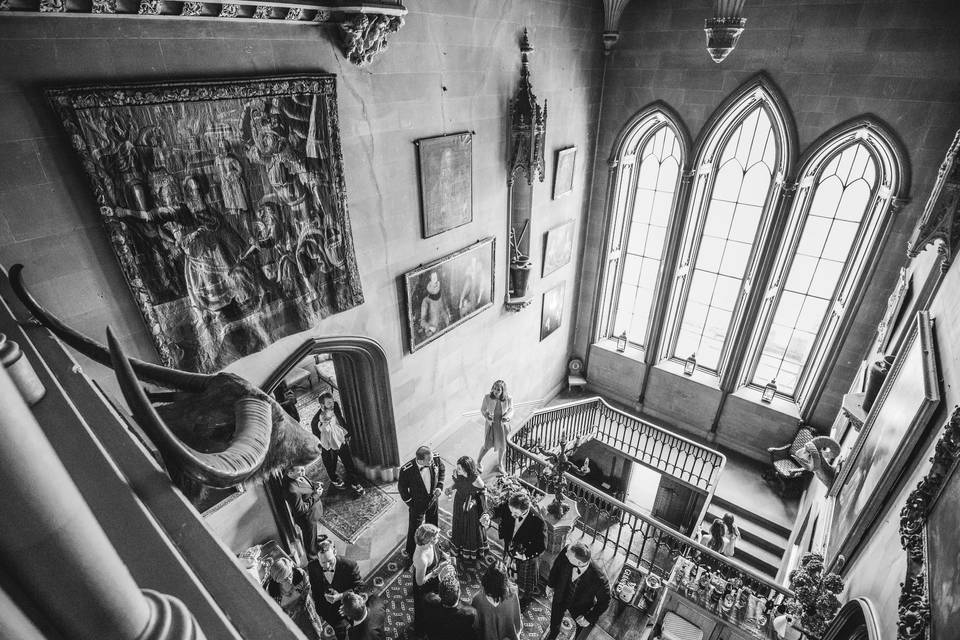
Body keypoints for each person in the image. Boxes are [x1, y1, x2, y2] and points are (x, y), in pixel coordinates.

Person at [486, 491, 546, 606]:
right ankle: (508, 588)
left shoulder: (538, 522)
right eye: (511, 510)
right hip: (510, 546)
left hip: (526, 555)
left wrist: (525, 555)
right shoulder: (511, 505)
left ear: (525, 510)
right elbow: (496, 509)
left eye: (515, 513)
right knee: (507, 572)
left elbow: (541, 546)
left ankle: (524, 600)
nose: (511, 514)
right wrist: (487, 516)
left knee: (525, 581)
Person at [545, 542, 611, 640]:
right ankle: (553, 634)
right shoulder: (568, 550)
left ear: (579, 563)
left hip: (581, 606)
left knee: (580, 631)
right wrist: (550, 585)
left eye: (568, 555)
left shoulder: (599, 578)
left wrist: (589, 618)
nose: (565, 554)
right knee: (555, 620)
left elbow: (605, 601)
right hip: (561, 594)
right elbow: (556, 567)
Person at [306, 538, 363, 640]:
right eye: (323, 562)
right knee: (340, 633)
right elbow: (315, 589)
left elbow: (359, 586)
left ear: (335, 552)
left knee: (358, 629)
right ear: (317, 557)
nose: (327, 566)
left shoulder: (350, 565)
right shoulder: (312, 567)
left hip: (349, 605)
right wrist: (321, 606)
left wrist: (341, 596)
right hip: (328, 610)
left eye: (330, 561)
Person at [310, 391, 364, 495]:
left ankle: (354, 482)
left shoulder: (335, 406)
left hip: (339, 439)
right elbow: (317, 440)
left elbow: (340, 419)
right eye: (329, 403)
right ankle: (334, 479)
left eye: (333, 401)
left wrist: (347, 434)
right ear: (322, 405)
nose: (332, 404)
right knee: (330, 464)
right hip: (328, 446)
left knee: (348, 461)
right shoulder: (315, 422)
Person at [398, 446, 446, 557]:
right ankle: (411, 552)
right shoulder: (407, 470)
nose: (432, 461)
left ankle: (434, 544)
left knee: (433, 522)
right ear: (420, 460)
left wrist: (440, 485)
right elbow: (402, 488)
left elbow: (442, 469)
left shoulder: (435, 458)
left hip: (433, 499)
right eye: (429, 460)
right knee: (414, 528)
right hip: (417, 504)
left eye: (432, 459)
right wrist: (411, 503)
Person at [265, 557, 325, 639]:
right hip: (294, 624)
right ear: (277, 580)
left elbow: (308, 588)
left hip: (310, 614)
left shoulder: (300, 574)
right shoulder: (272, 592)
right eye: (285, 579)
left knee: (318, 634)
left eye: (290, 575)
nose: (289, 580)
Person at [446, 455, 489, 569]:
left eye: (460, 468)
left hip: (470, 508)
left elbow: (483, 493)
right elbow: (458, 483)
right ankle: (458, 549)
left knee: (469, 529)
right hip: (459, 502)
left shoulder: (475, 480)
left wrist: (473, 503)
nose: (457, 470)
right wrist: (451, 488)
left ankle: (471, 556)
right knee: (458, 524)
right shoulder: (457, 473)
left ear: (466, 469)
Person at [410, 523, 449, 635]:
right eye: (436, 537)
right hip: (425, 586)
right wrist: (437, 570)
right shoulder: (421, 558)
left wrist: (443, 555)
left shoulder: (430, 543)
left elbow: (437, 549)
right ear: (428, 540)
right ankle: (422, 630)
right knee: (425, 607)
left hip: (432, 578)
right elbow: (420, 582)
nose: (439, 538)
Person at [422, 564, 478, 640]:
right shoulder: (470, 612)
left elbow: (425, 588)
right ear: (459, 593)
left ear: (439, 593)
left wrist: (440, 576)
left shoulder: (429, 600)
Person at [471, 565, 522, 640]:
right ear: (505, 581)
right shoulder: (513, 595)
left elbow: (475, 626)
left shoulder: (477, 599)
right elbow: (516, 620)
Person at [285, 465, 324, 558]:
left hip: (313, 513)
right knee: (309, 538)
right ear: (290, 473)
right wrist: (316, 495)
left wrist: (313, 484)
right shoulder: (292, 490)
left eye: (303, 468)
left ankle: (315, 540)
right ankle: (313, 554)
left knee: (312, 533)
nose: (304, 471)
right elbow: (300, 509)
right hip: (308, 518)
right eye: (301, 470)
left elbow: (305, 484)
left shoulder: (297, 475)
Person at [477, 380, 514, 474]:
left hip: (503, 426)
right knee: (487, 446)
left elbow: (511, 410)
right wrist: (486, 416)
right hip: (491, 425)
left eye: (498, 389)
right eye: (494, 388)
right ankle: (478, 462)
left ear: (503, 391)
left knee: (503, 446)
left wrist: (507, 418)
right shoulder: (487, 397)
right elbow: (483, 409)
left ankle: (500, 464)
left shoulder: (508, 399)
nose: (495, 391)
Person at [419, 271, 451, 337]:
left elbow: (444, 307)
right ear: (429, 278)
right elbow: (422, 322)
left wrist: (447, 316)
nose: (435, 278)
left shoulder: (441, 294)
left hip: (444, 327)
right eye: (433, 277)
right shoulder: (426, 301)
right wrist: (430, 327)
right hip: (433, 331)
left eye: (436, 276)